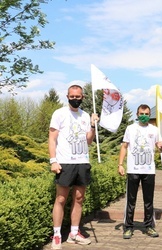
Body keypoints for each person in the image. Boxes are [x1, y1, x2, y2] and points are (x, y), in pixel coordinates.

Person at [49, 83, 99, 249]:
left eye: (78, 97)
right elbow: (52, 138)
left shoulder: (85, 116)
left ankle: (74, 233)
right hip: (65, 162)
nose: (75, 99)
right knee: (61, 198)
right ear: (68, 96)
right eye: (72, 97)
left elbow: (89, 140)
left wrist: (92, 125)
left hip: (82, 162)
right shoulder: (59, 113)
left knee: (79, 199)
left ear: (83, 97)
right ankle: (56, 235)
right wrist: (53, 160)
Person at [118, 104, 162, 239]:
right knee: (131, 200)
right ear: (137, 114)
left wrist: (161, 148)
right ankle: (128, 227)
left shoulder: (155, 129)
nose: (144, 115)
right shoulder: (130, 128)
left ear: (150, 114)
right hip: (133, 169)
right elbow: (124, 146)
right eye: (141, 113)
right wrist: (120, 164)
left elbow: (159, 145)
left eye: (146, 113)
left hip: (149, 170)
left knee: (148, 200)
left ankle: (149, 226)